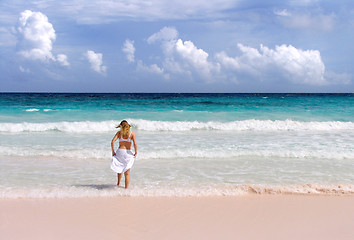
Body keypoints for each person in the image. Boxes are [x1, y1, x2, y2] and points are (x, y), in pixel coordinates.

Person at [111, 120, 137, 189]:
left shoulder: (119, 133)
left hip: (120, 152)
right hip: (128, 153)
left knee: (120, 168)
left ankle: (118, 183)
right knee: (127, 172)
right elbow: (135, 144)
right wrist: (136, 152)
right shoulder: (132, 133)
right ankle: (126, 189)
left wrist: (113, 151)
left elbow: (112, 142)